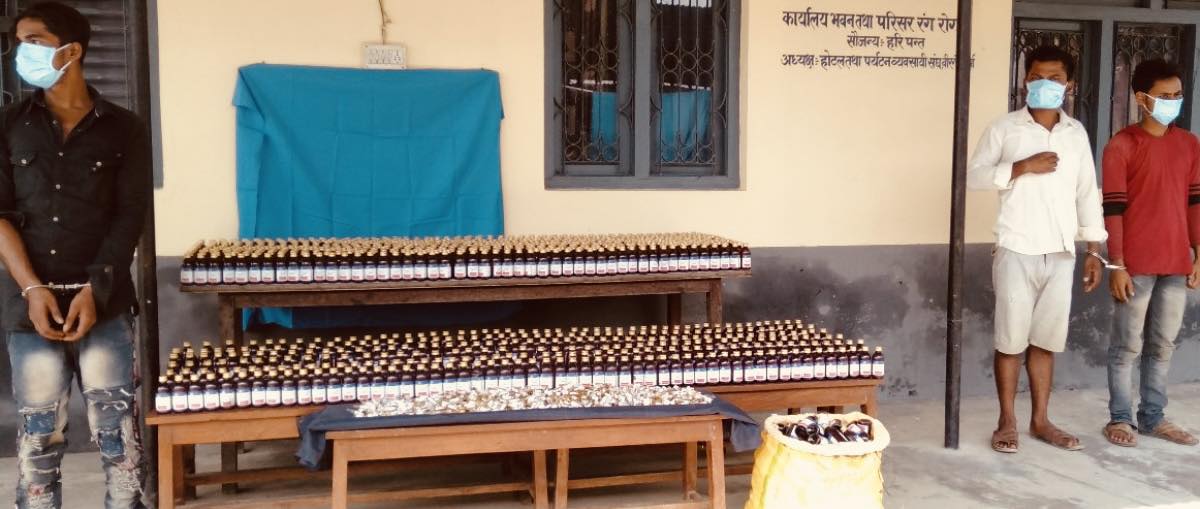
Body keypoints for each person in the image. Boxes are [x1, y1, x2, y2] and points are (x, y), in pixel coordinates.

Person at [0, 2, 151, 508]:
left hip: (103, 304)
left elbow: (129, 216)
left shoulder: (125, 128)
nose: (22, 51)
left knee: (117, 436)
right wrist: (32, 289)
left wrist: (95, 289)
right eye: (19, 42)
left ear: (72, 51)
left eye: (35, 41)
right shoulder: (8, 125)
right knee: (38, 437)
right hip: (30, 307)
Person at [967, 45, 1107, 454]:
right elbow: (973, 177)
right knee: (1011, 340)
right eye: (1037, 77)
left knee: (1046, 340)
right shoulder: (1005, 128)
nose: (1045, 84)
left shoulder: (1075, 133)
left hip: (1061, 251)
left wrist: (1094, 249)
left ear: (1069, 85)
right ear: (1025, 80)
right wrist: (1021, 167)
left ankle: (1041, 420)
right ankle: (1006, 421)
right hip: (1016, 247)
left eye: (1055, 78)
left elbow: (1087, 193)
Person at [1101, 59, 1200, 448]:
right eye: (1164, 96)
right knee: (1126, 346)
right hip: (1135, 265)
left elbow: (1195, 204)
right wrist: (1117, 265)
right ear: (1141, 99)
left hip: (1176, 263)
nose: (1172, 101)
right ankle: (1120, 418)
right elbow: (1113, 209)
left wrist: (1198, 254)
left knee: (1162, 346)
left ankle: (1153, 417)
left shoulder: (1189, 144)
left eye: (1177, 95)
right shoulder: (1121, 145)